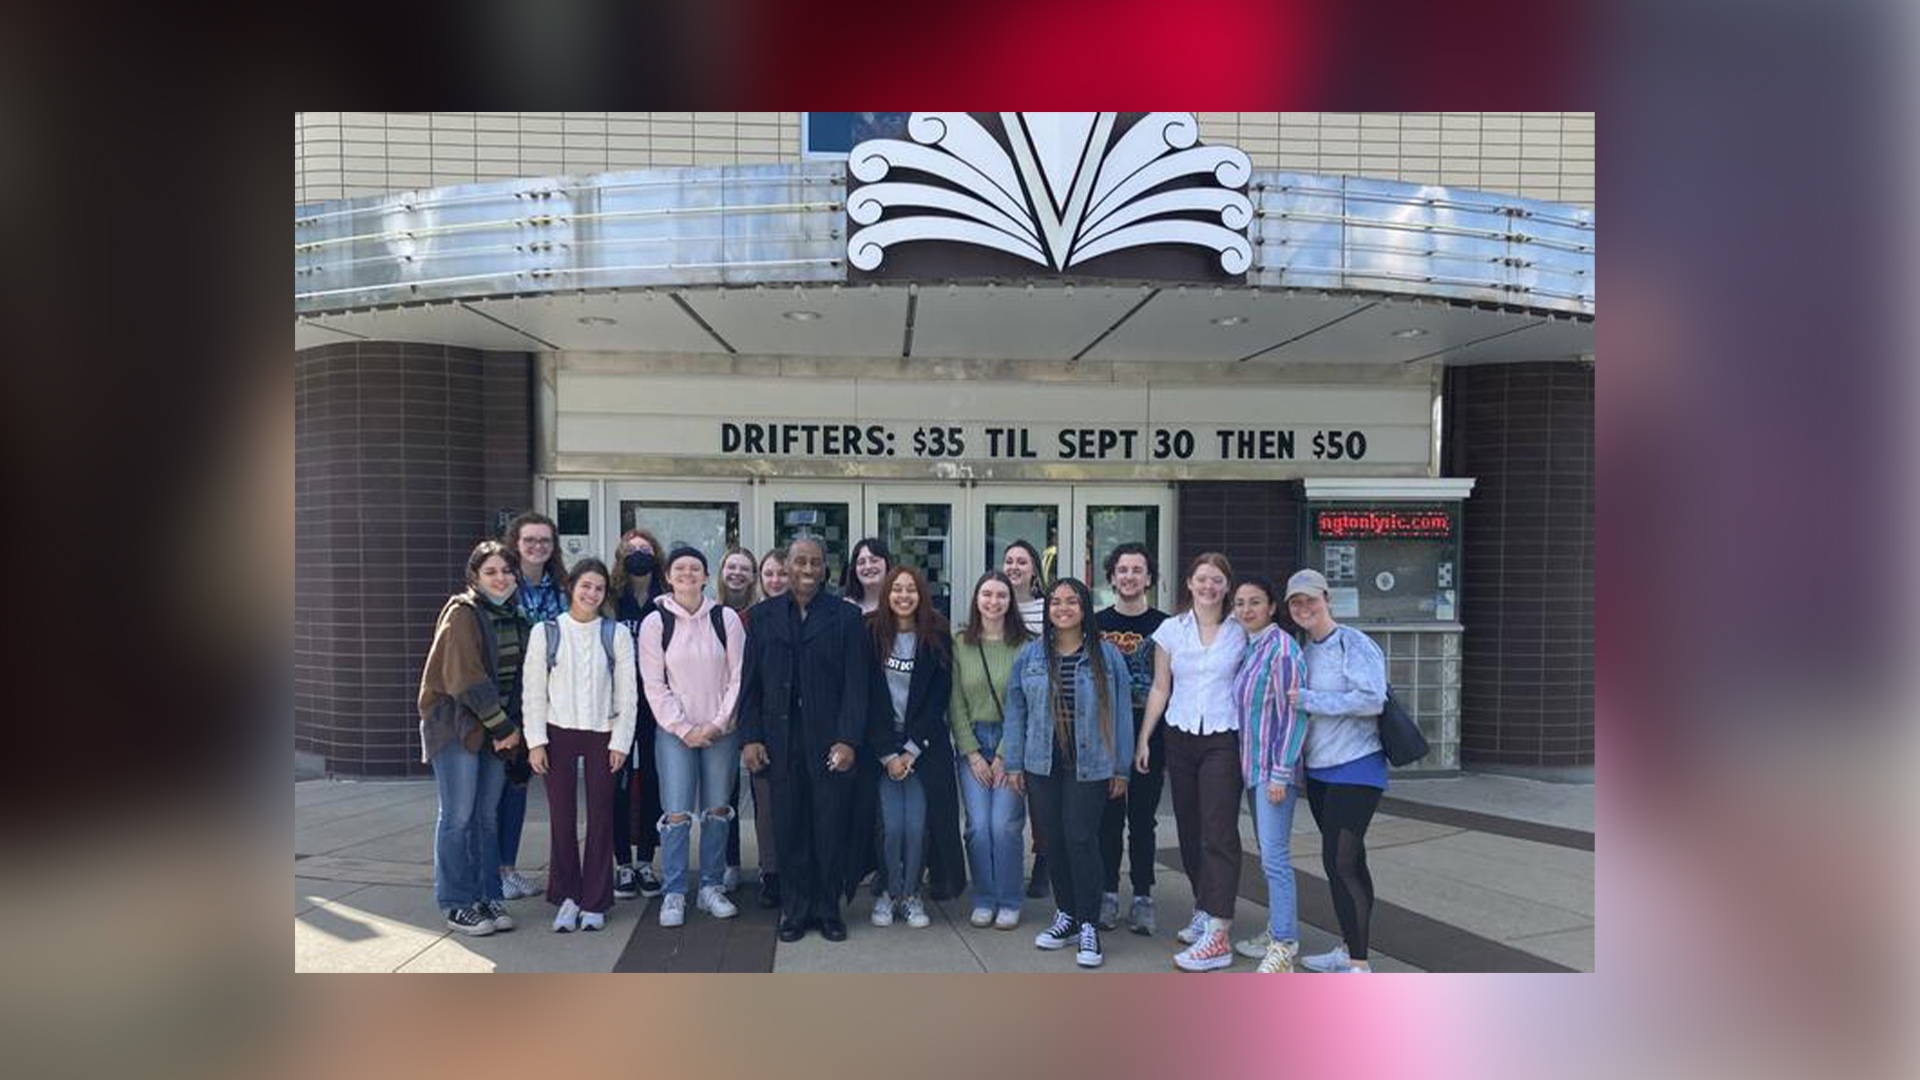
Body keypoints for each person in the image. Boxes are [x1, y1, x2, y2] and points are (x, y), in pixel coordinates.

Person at [739, 535, 868, 943]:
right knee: (790, 827)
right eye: (800, 563)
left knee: (829, 827)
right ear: (786, 566)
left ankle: (828, 908)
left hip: (829, 742)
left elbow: (856, 686)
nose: (808, 571)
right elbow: (751, 684)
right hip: (779, 741)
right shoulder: (762, 617)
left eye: (815, 563)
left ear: (825, 568)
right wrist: (750, 737)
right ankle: (794, 910)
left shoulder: (845, 617)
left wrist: (848, 739)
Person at [1002, 578, 1132, 968]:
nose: (1062, 608)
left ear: (1084, 607)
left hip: (1090, 764)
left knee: (1080, 837)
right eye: (1055, 602)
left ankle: (1089, 922)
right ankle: (1067, 915)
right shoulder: (1031, 656)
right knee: (1053, 840)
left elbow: (1122, 713)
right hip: (1042, 762)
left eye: (1071, 602)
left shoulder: (1107, 656)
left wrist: (1120, 767)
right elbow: (1016, 710)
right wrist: (1013, 761)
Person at [1136, 551, 1248, 972]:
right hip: (1180, 736)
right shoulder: (1170, 630)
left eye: (1217, 580)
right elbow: (1161, 688)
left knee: (1218, 830)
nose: (1208, 586)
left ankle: (1219, 931)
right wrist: (1145, 737)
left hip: (1224, 736)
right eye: (1202, 579)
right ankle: (1205, 906)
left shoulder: (1240, 631)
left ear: (1226, 585)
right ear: (1189, 583)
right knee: (1188, 826)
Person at [417, 540, 526, 936]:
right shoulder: (463, 613)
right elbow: (464, 678)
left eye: (506, 571)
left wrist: (509, 729)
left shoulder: (514, 615)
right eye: (491, 572)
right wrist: (502, 728)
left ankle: (487, 895)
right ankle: (457, 903)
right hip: (458, 729)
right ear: (474, 577)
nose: (501, 578)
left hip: (497, 731)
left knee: (486, 818)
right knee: (458, 817)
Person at [523, 559, 638, 933]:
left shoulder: (615, 633)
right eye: (585, 585)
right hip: (557, 732)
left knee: (602, 818)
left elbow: (628, 695)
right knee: (562, 819)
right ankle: (568, 896)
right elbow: (533, 693)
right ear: (571, 587)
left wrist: (621, 741)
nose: (592, 593)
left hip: (602, 733)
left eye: (599, 588)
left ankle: (596, 899)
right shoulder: (547, 632)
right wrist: (536, 741)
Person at [1284, 568, 1389, 975]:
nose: (1304, 607)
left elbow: (1371, 699)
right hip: (1320, 771)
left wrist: (1309, 699)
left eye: (1311, 599)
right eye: (1296, 601)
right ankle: (1349, 948)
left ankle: (1359, 965)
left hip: (1358, 769)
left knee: (1339, 863)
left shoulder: (1354, 643)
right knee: (1352, 864)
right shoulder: (1301, 649)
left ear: (1327, 598)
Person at [639, 547, 747, 927]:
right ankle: (673, 892)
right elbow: (654, 685)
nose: (687, 574)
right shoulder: (655, 623)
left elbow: (738, 678)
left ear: (705, 576)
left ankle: (711, 887)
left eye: (695, 568)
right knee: (677, 814)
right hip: (674, 734)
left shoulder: (726, 618)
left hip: (722, 731)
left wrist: (717, 724)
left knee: (717, 811)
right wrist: (684, 729)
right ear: (668, 576)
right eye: (680, 568)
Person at [863, 566, 962, 930]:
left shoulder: (936, 635)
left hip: (924, 745)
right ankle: (889, 891)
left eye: (911, 590)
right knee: (891, 825)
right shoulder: (870, 633)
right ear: (887, 594)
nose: (904, 596)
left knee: (917, 825)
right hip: (882, 745)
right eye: (897, 590)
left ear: (921, 595)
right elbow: (868, 699)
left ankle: (911, 894)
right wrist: (889, 754)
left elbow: (939, 699)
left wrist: (911, 750)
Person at [1226, 576, 1308, 973]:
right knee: (1267, 854)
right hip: (1253, 770)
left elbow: (1295, 716)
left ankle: (1284, 944)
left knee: (1275, 857)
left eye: (1254, 602)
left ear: (1272, 606)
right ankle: (1277, 928)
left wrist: (1280, 773)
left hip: (1274, 772)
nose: (1245, 610)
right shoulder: (1250, 647)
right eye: (1239, 602)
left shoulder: (1282, 650)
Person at [949, 571, 1033, 929]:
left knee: (1004, 826)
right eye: (987, 594)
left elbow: (1024, 702)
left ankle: (1009, 898)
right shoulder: (959, 643)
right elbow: (954, 702)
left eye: (1001, 595)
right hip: (970, 743)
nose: (994, 602)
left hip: (1011, 743)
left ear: (1010, 601)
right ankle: (984, 897)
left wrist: (1003, 754)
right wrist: (971, 752)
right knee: (978, 827)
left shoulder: (1026, 645)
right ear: (976, 598)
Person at [1094, 541, 1170, 935]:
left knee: (1142, 820)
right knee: (1107, 821)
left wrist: (1146, 739)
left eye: (1137, 570)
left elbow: (1168, 685)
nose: (1129, 577)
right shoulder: (1096, 623)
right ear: (1111, 577)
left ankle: (1143, 896)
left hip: (1149, 737)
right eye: (1122, 570)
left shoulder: (1167, 626)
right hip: (1105, 738)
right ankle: (1107, 893)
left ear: (1149, 578)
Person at [497, 512, 568, 902]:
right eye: (530, 540)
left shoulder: (562, 588)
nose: (538, 547)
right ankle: (498, 870)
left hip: (549, 700)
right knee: (500, 788)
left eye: (545, 540)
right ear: (515, 543)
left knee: (521, 785)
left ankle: (508, 867)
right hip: (509, 698)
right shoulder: (503, 584)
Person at [609, 528, 667, 903]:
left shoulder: (667, 599)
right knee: (618, 780)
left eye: (645, 549)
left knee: (653, 781)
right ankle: (622, 863)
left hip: (657, 704)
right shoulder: (612, 600)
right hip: (617, 705)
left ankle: (646, 859)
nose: (639, 554)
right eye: (632, 550)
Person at [1000, 537, 1050, 897]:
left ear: (1034, 569)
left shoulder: (1049, 608)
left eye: (1021, 561)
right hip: (1002, 713)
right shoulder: (996, 605)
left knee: (1043, 800)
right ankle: (1009, 865)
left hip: (1041, 715)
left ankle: (1045, 862)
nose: (1014, 567)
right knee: (1010, 801)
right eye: (1008, 561)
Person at [714, 545, 759, 893]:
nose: (737, 574)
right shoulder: (707, 612)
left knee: (762, 791)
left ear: (753, 577)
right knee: (724, 792)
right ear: (722, 571)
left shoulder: (762, 615)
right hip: (721, 716)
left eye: (745, 568)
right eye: (732, 567)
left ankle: (767, 863)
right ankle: (728, 862)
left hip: (755, 712)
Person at [746, 546, 788, 907]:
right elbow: (748, 683)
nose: (776, 580)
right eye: (769, 574)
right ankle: (771, 873)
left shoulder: (815, 615)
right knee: (767, 806)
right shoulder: (754, 618)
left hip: (803, 732)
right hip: (765, 728)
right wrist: (751, 736)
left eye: (782, 573)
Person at [843, 536, 894, 615]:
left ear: (887, 564)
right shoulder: (845, 607)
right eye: (861, 562)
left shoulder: (898, 604)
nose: (868, 566)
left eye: (874, 560)